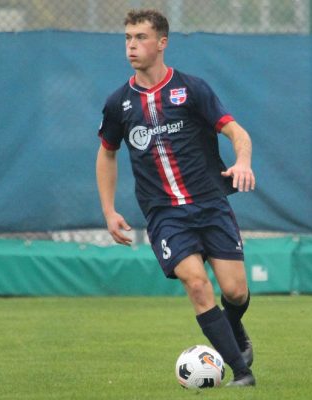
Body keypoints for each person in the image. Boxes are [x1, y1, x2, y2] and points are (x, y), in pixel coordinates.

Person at [95, 9, 256, 387]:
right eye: (128, 38)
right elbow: (106, 152)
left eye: (140, 38)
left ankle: (234, 331)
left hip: (211, 203)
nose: (132, 45)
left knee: (235, 291)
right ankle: (242, 373)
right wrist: (108, 210)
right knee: (198, 285)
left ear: (162, 42)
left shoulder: (192, 89)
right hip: (165, 214)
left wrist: (243, 161)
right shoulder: (118, 103)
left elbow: (237, 132)